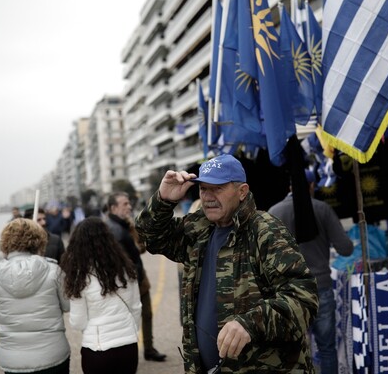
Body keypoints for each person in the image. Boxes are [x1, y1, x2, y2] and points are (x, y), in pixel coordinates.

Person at [135, 154, 319, 373]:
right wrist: (164, 200)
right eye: (203, 189)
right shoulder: (200, 228)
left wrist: (250, 324)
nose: (208, 197)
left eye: (218, 188)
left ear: (242, 192)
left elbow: (303, 298)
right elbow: (151, 238)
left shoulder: (265, 230)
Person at [268, 170, 354, 374]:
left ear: (290, 186)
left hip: (288, 292)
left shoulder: (274, 212)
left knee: (293, 351)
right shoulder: (322, 209)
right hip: (320, 288)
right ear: (312, 186)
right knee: (327, 349)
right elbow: (346, 248)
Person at [0, 218, 70, 374]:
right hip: (52, 353)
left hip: (13, 359)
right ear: (39, 240)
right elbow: (67, 305)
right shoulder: (53, 271)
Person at [60, 217, 142, 374]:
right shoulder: (126, 269)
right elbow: (136, 307)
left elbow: (78, 322)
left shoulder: (80, 278)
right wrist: (129, 331)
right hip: (128, 346)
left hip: (97, 347)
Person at [105, 192, 167, 362]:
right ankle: (127, 356)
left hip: (139, 278)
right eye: (124, 204)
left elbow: (139, 248)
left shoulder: (126, 225)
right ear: (113, 207)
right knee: (127, 320)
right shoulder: (111, 229)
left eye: (128, 203)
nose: (129, 206)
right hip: (125, 283)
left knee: (147, 314)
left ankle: (149, 349)